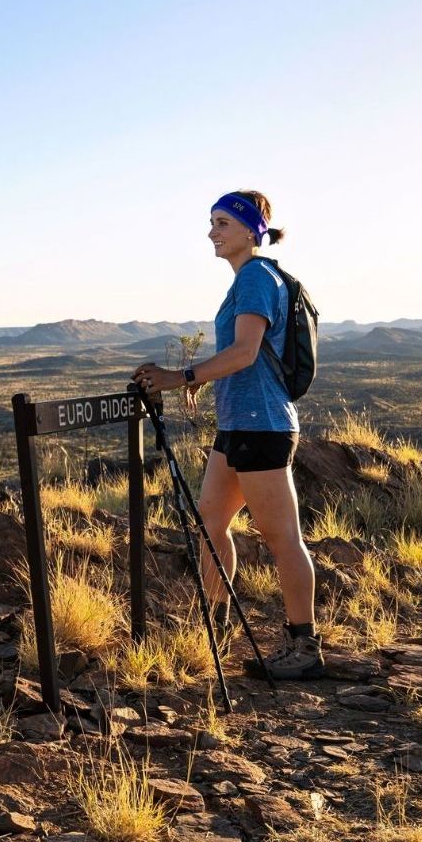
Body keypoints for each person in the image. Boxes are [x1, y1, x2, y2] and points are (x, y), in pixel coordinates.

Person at [133, 190, 323, 679]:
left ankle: (305, 647)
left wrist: (183, 377)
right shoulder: (246, 281)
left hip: (263, 426)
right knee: (211, 521)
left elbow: (244, 352)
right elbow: (242, 360)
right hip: (238, 424)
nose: (212, 232)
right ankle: (217, 627)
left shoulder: (257, 278)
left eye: (221, 222)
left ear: (249, 230)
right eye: (211, 222)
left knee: (283, 539)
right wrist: (202, 381)